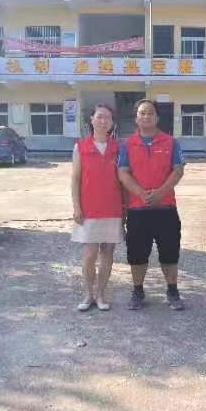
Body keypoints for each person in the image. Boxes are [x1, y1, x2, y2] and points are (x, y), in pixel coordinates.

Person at [117, 99, 186, 311]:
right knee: (137, 254)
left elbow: (178, 170)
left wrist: (160, 192)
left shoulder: (171, 142)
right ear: (136, 118)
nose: (146, 116)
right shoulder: (127, 144)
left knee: (170, 253)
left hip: (166, 208)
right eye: (142, 113)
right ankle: (138, 291)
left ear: (157, 117)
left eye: (150, 113)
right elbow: (122, 173)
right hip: (137, 210)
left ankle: (172, 291)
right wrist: (141, 193)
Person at [71, 104, 124, 311]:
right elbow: (75, 179)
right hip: (89, 209)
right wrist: (76, 206)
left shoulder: (118, 148)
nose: (103, 121)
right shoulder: (80, 147)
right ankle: (88, 295)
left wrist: (126, 208)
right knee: (89, 254)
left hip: (113, 208)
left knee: (108, 253)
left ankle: (101, 295)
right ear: (91, 119)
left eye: (107, 118)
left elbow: (123, 179)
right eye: (99, 117)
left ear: (112, 123)